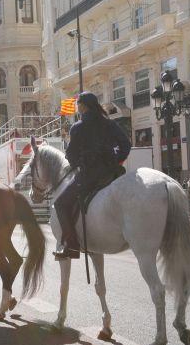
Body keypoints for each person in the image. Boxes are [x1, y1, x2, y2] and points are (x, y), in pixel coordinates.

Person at [54, 92, 132, 259]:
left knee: (60, 203)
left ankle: (72, 244)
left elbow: (71, 154)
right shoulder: (110, 124)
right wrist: (116, 160)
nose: (77, 107)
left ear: (83, 106)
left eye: (78, 104)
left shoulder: (78, 127)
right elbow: (125, 145)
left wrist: (78, 165)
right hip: (112, 172)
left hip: (89, 175)